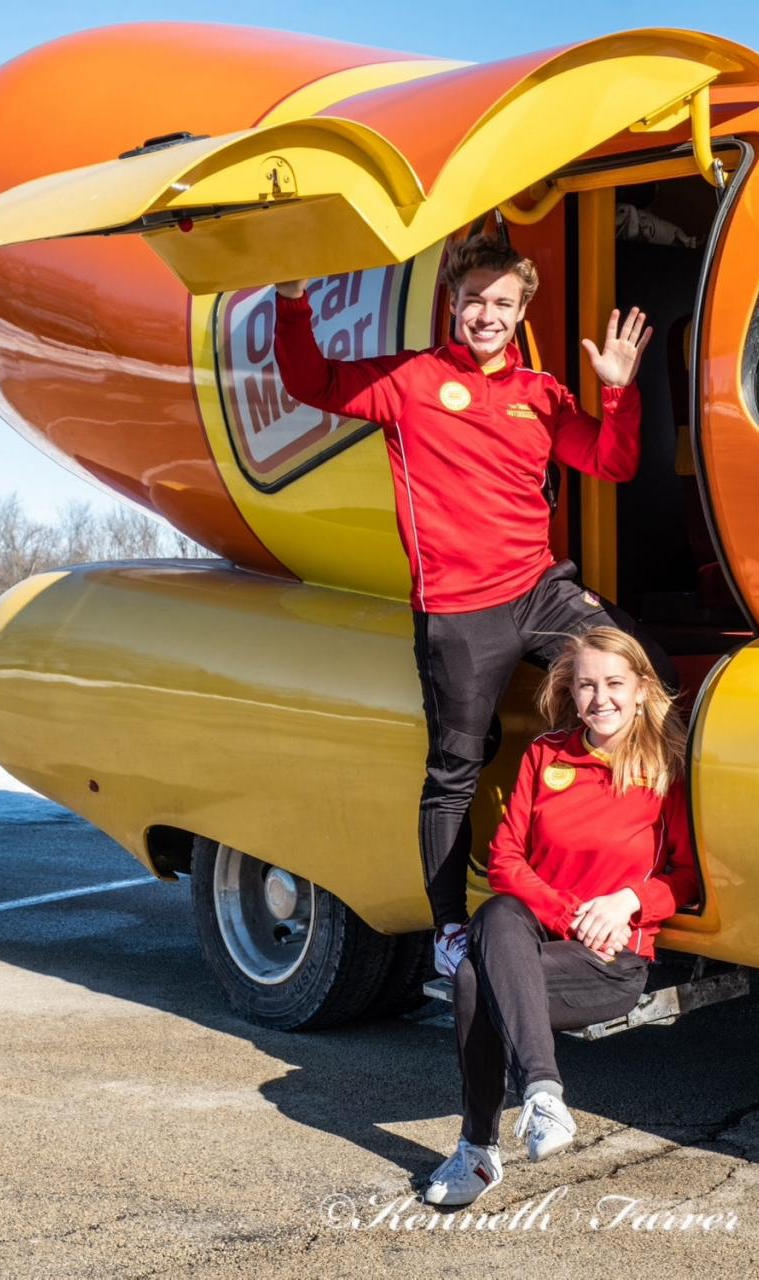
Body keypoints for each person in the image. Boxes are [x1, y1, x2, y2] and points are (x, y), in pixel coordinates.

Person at [274, 234, 668, 980]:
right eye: (474, 301)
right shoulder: (411, 380)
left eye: (501, 303)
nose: (486, 314)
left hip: (539, 585)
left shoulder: (541, 394)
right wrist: (292, 300)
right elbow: (311, 382)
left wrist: (616, 387)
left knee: (648, 677)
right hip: (459, 608)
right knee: (454, 770)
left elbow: (610, 461)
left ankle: (618, 885)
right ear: (452, 305)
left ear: (521, 313)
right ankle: (450, 928)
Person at [424, 626, 698, 1207]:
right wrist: (575, 915)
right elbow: (505, 861)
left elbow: (687, 875)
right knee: (497, 911)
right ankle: (544, 1094)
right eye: (586, 686)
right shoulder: (547, 753)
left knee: (474, 977)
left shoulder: (667, 765)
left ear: (643, 689)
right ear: (571, 694)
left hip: (609, 960)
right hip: (542, 934)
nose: (601, 699)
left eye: (614, 684)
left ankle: (477, 1151)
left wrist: (629, 901)